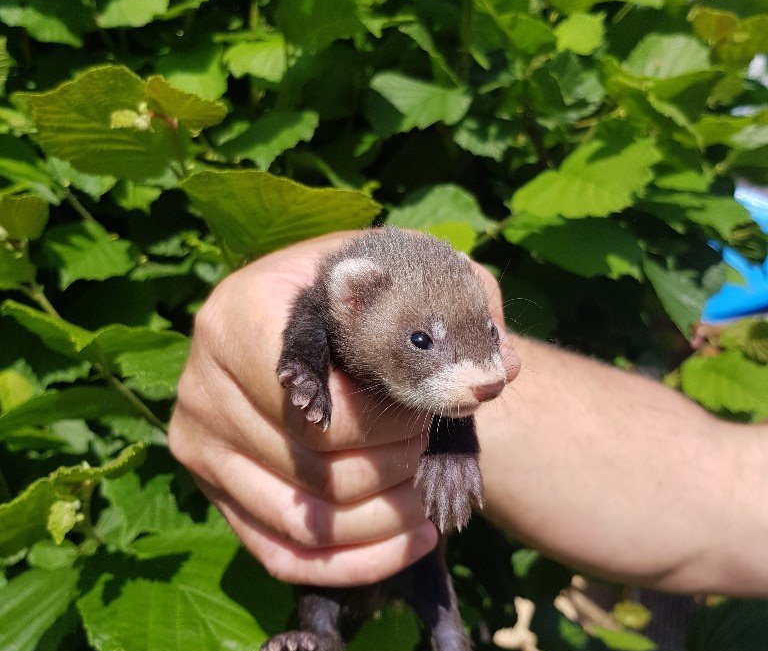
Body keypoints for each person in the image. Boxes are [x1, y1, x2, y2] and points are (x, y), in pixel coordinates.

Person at [169, 231, 768, 598]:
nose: (492, 373)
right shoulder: (341, 304)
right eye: (423, 342)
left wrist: (455, 442)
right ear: (350, 302)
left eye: (488, 331)